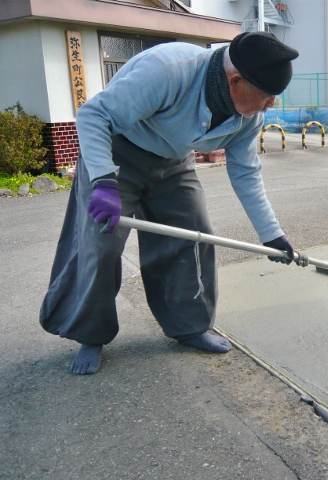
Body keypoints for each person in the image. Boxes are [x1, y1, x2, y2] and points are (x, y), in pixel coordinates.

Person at [40, 32, 299, 375]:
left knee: (194, 236)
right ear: (236, 81)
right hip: (116, 152)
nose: (269, 106)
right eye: (266, 97)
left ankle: (190, 326)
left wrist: (271, 235)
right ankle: (91, 335)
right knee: (100, 245)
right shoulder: (169, 70)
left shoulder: (249, 117)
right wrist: (102, 181)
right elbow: (93, 116)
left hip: (173, 162)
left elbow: (246, 173)